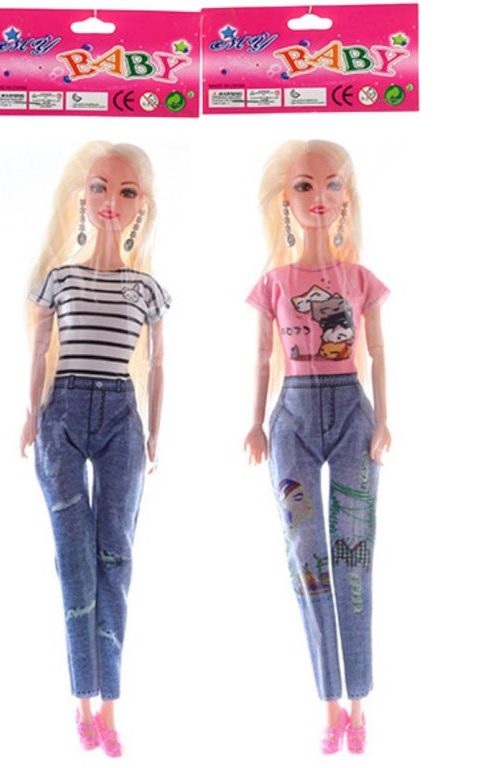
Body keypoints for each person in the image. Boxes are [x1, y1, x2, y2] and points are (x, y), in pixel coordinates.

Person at [20, 141, 170, 757]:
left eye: (127, 191)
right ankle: (84, 700)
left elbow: (157, 366)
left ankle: (109, 702)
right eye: (101, 188)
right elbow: (39, 351)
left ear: (142, 205)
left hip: (121, 413)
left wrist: (155, 430)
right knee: (73, 556)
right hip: (61, 411)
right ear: (83, 195)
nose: (112, 201)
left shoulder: (148, 289)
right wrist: (30, 414)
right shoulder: (60, 278)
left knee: (117, 554)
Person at [244, 139, 391, 755]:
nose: (319, 197)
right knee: (307, 556)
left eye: (331, 185)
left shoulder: (360, 280)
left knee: (354, 554)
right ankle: (331, 704)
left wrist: (384, 419)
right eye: (304, 185)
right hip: (293, 420)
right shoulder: (274, 283)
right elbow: (262, 357)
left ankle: (359, 704)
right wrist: (256, 422)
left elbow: (376, 352)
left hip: (353, 412)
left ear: (346, 198)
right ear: (287, 198)